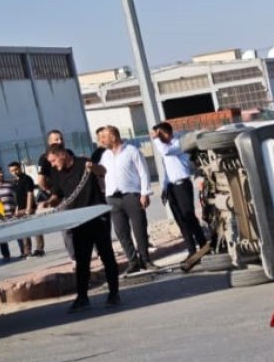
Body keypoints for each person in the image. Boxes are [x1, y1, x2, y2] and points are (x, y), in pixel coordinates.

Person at [45, 144, 121, 312]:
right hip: (78, 219)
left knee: (106, 253)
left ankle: (114, 293)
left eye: (54, 160)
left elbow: (102, 171)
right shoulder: (56, 172)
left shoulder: (83, 163)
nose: (53, 164)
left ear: (62, 155)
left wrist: (92, 167)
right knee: (82, 260)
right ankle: (82, 297)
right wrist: (48, 202)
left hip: (97, 214)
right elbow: (57, 196)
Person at [98, 125, 152, 273]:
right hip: (113, 198)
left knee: (139, 228)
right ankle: (132, 261)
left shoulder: (131, 151)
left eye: (104, 137)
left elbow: (144, 172)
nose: (101, 141)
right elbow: (102, 174)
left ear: (113, 136)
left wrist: (145, 193)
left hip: (131, 195)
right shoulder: (105, 156)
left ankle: (145, 260)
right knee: (121, 231)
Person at [151, 122, 209, 259]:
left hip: (182, 185)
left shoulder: (178, 143)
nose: (155, 137)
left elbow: (166, 151)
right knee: (180, 220)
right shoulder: (164, 146)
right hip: (171, 186)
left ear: (164, 133)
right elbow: (166, 171)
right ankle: (191, 250)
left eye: (158, 134)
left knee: (189, 217)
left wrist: (156, 139)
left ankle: (203, 244)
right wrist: (164, 189)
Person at [37, 129, 74, 261]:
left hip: (74, 193)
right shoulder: (44, 158)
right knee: (67, 228)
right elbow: (40, 180)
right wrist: (50, 191)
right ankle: (74, 257)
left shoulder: (69, 153)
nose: (60, 141)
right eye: (56, 139)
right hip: (60, 197)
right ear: (49, 142)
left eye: (61, 139)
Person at [0, 166, 23, 261]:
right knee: (2, 238)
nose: (1, 174)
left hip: (12, 214)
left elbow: (18, 198)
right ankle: (6, 256)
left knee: (19, 234)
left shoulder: (10, 184)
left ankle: (24, 252)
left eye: (1, 172)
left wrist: (17, 209)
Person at [8, 161, 37, 256]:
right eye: (12, 171)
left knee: (35, 229)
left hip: (29, 208)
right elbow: (16, 197)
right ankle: (27, 251)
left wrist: (28, 208)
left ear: (20, 168)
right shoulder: (15, 181)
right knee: (24, 231)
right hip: (20, 209)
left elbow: (30, 193)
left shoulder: (27, 179)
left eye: (16, 169)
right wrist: (16, 209)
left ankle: (39, 248)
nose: (14, 172)